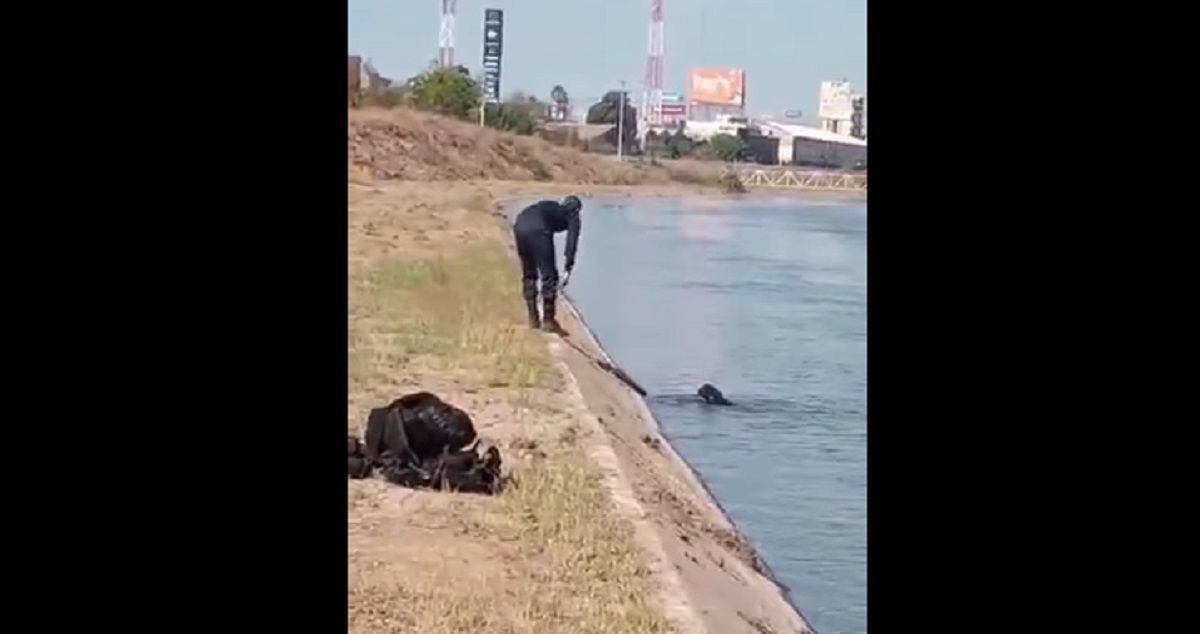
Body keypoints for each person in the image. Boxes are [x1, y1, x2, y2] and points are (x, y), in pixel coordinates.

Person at [512, 195, 583, 333]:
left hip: (520, 225)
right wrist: (568, 267)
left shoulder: (552, 206)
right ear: (578, 209)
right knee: (549, 276)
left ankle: (533, 319)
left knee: (529, 274)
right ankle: (548, 321)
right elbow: (572, 241)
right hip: (539, 229)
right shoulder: (572, 214)